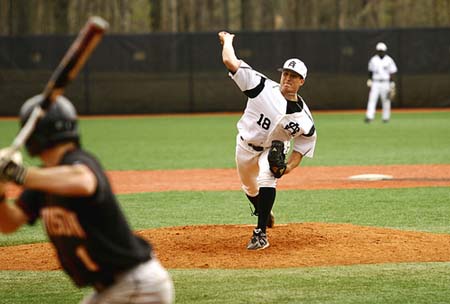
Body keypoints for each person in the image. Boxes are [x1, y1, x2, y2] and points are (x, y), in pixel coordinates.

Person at [0, 95, 174, 304]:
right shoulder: (44, 181)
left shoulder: (80, 162)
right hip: (117, 288)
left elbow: (84, 182)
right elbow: (9, 224)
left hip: (137, 284)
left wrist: (18, 174)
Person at [218, 31, 317, 250]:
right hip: (244, 145)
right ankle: (264, 210)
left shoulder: (304, 118)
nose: (287, 79)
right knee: (250, 188)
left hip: (271, 150)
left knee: (267, 178)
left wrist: (288, 167)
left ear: (302, 81)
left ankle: (260, 233)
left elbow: (304, 143)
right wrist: (228, 41)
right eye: (285, 74)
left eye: (293, 76)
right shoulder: (261, 86)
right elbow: (229, 61)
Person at [365, 42, 398, 123]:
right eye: (379, 50)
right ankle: (369, 116)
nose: (381, 52)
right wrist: (369, 79)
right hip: (375, 82)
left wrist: (392, 83)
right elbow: (370, 71)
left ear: (385, 51)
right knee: (372, 99)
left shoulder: (389, 60)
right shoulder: (373, 60)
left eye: (382, 50)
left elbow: (392, 72)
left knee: (386, 100)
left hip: (385, 82)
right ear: (377, 51)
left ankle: (386, 118)